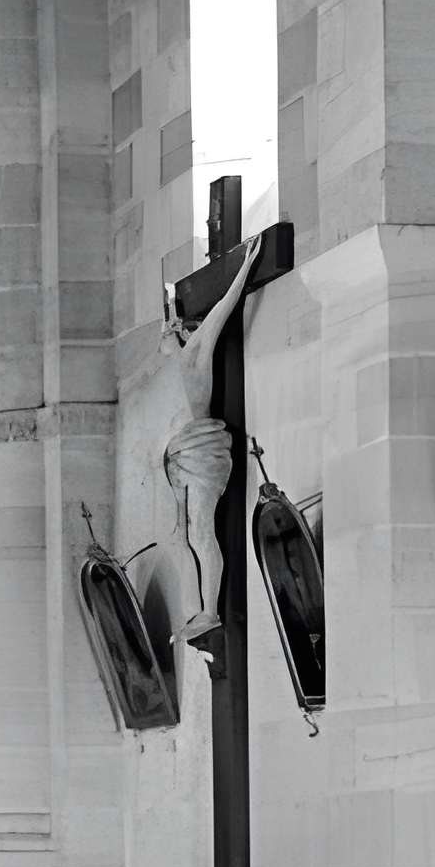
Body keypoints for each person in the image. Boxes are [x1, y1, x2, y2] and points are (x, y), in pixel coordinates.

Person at [161, 245, 259, 652]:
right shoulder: (171, 369)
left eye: (171, 333)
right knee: (181, 534)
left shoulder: (194, 358)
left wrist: (243, 269)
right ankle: (195, 608)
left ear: (186, 331)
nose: (165, 339)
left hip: (201, 454)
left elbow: (222, 310)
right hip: (179, 456)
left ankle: (210, 611)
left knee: (202, 532)